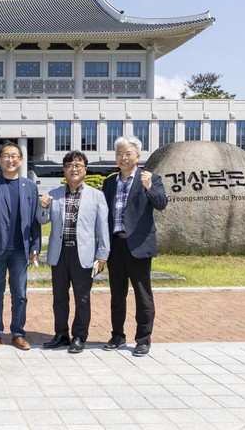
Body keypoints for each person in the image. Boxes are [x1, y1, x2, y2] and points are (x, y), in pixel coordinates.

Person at [102, 136, 168, 357]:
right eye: (119, 153)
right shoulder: (110, 182)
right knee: (116, 295)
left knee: (143, 295)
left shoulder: (150, 178)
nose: (123, 157)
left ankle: (143, 339)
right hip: (115, 246)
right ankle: (117, 336)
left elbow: (161, 203)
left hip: (138, 246)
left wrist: (149, 187)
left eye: (128, 153)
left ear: (138, 156)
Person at [38, 150, 109, 353]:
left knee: (82, 298)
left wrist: (102, 254)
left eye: (78, 165)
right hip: (60, 253)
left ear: (85, 170)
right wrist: (43, 207)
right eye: (69, 165)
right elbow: (42, 220)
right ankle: (61, 334)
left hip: (83, 253)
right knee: (59, 297)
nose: (73, 169)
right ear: (64, 170)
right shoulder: (54, 194)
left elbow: (102, 227)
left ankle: (79, 336)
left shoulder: (97, 196)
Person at [0, 141, 41, 351]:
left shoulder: (30, 186)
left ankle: (18, 333)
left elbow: (35, 219)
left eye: (14, 156)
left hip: (20, 249)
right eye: (6, 156)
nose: (10, 159)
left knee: (20, 294)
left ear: (21, 160)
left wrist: (35, 245)